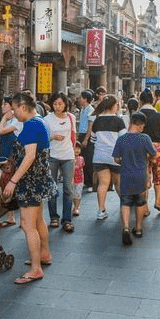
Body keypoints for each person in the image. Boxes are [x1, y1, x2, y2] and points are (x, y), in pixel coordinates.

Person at [3, 92, 56, 285]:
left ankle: (35, 269)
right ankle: (44, 254)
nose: (13, 113)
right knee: (39, 220)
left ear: (23, 107)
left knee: (27, 225)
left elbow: (30, 156)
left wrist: (13, 181)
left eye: (15, 109)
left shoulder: (32, 124)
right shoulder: (39, 121)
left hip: (30, 182)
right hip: (39, 180)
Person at [112, 112, 157, 244]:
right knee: (140, 202)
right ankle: (138, 228)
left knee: (125, 203)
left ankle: (126, 228)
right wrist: (145, 158)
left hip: (126, 174)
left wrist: (124, 162)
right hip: (141, 175)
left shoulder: (121, 139)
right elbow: (153, 154)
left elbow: (116, 159)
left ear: (131, 122)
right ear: (142, 125)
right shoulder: (145, 138)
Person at [44, 92, 77, 232]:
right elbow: (44, 138)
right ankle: (53, 217)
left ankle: (67, 219)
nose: (57, 107)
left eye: (60, 104)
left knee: (68, 189)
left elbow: (74, 135)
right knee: (52, 188)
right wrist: (52, 137)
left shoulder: (71, 117)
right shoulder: (47, 119)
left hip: (68, 156)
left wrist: (74, 152)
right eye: (55, 104)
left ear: (65, 104)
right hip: (52, 156)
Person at [91, 95, 126, 221]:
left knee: (103, 184)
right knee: (118, 183)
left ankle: (101, 211)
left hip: (99, 156)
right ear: (113, 106)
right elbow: (123, 140)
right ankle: (124, 206)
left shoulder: (97, 121)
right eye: (117, 104)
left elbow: (93, 139)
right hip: (115, 156)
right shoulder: (118, 121)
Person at [138, 90, 160, 212]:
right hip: (157, 149)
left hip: (141, 148)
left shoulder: (137, 115)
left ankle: (145, 207)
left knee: (143, 177)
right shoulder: (158, 115)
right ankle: (157, 202)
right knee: (159, 175)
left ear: (141, 101)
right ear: (152, 101)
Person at [0, 95, 21, 226]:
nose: (2, 107)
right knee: (5, 184)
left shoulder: (16, 120)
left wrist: (4, 118)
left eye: (4, 104)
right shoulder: (9, 120)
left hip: (12, 156)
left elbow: (0, 131)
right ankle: (10, 216)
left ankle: (19, 216)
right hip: (4, 154)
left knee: (13, 185)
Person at [76, 90, 96, 192]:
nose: (79, 99)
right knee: (82, 159)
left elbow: (90, 127)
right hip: (81, 135)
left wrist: (86, 139)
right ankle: (85, 181)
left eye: (81, 98)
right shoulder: (82, 109)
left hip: (87, 136)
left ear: (85, 99)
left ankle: (90, 183)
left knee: (88, 160)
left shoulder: (90, 110)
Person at [72, 143, 85, 217]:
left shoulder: (81, 158)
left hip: (80, 179)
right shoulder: (70, 159)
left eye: (78, 149)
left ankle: (77, 207)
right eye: (75, 148)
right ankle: (75, 206)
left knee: (78, 194)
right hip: (72, 180)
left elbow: (82, 166)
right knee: (74, 195)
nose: (77, 150)